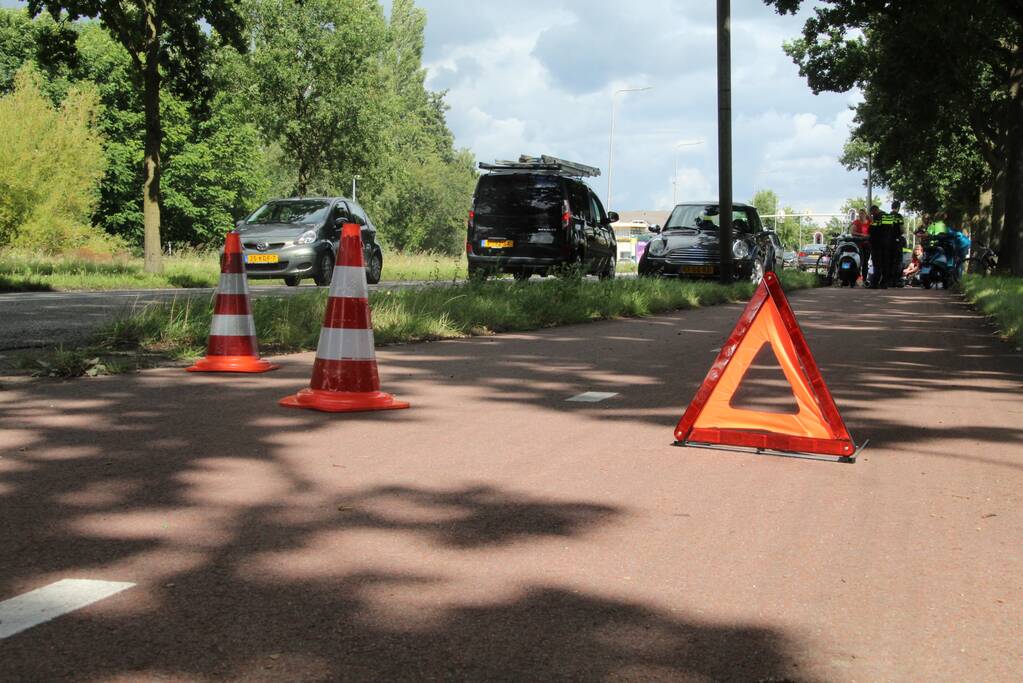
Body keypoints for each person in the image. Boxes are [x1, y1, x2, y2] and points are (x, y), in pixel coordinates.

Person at [868, 204, 889, 288]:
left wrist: (872, 221)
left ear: (875, 210)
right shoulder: (888, 216)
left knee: (877, 263)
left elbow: (872, 230)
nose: (872, 215)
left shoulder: (877, 217)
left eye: (872, 213)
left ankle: (875, 283)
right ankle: (884, 282)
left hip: (877, 243)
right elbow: (890, 229)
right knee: (885, 263)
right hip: (887, 243)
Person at [886, 200, 905, 286]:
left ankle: (887, 280)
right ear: (898, 207)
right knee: (897, 261)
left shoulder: (887, 216)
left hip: (888, 240)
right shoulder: (899, 216)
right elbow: (902, 229)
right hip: (896, 241)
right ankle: (895, 280)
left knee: (888, 260)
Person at [851, 208, 872, 282]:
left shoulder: (869, 222)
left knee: (865, 262)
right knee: (859, 261)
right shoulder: (856, 222)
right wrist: (861, 235)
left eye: (862, 213)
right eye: (860, 214)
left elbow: (873, 231)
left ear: (865, 214)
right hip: (858, 243)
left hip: (867, 244)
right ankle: (857, 279)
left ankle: (864, 279)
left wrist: (869, 236)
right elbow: (852, 232)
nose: (861, 215)